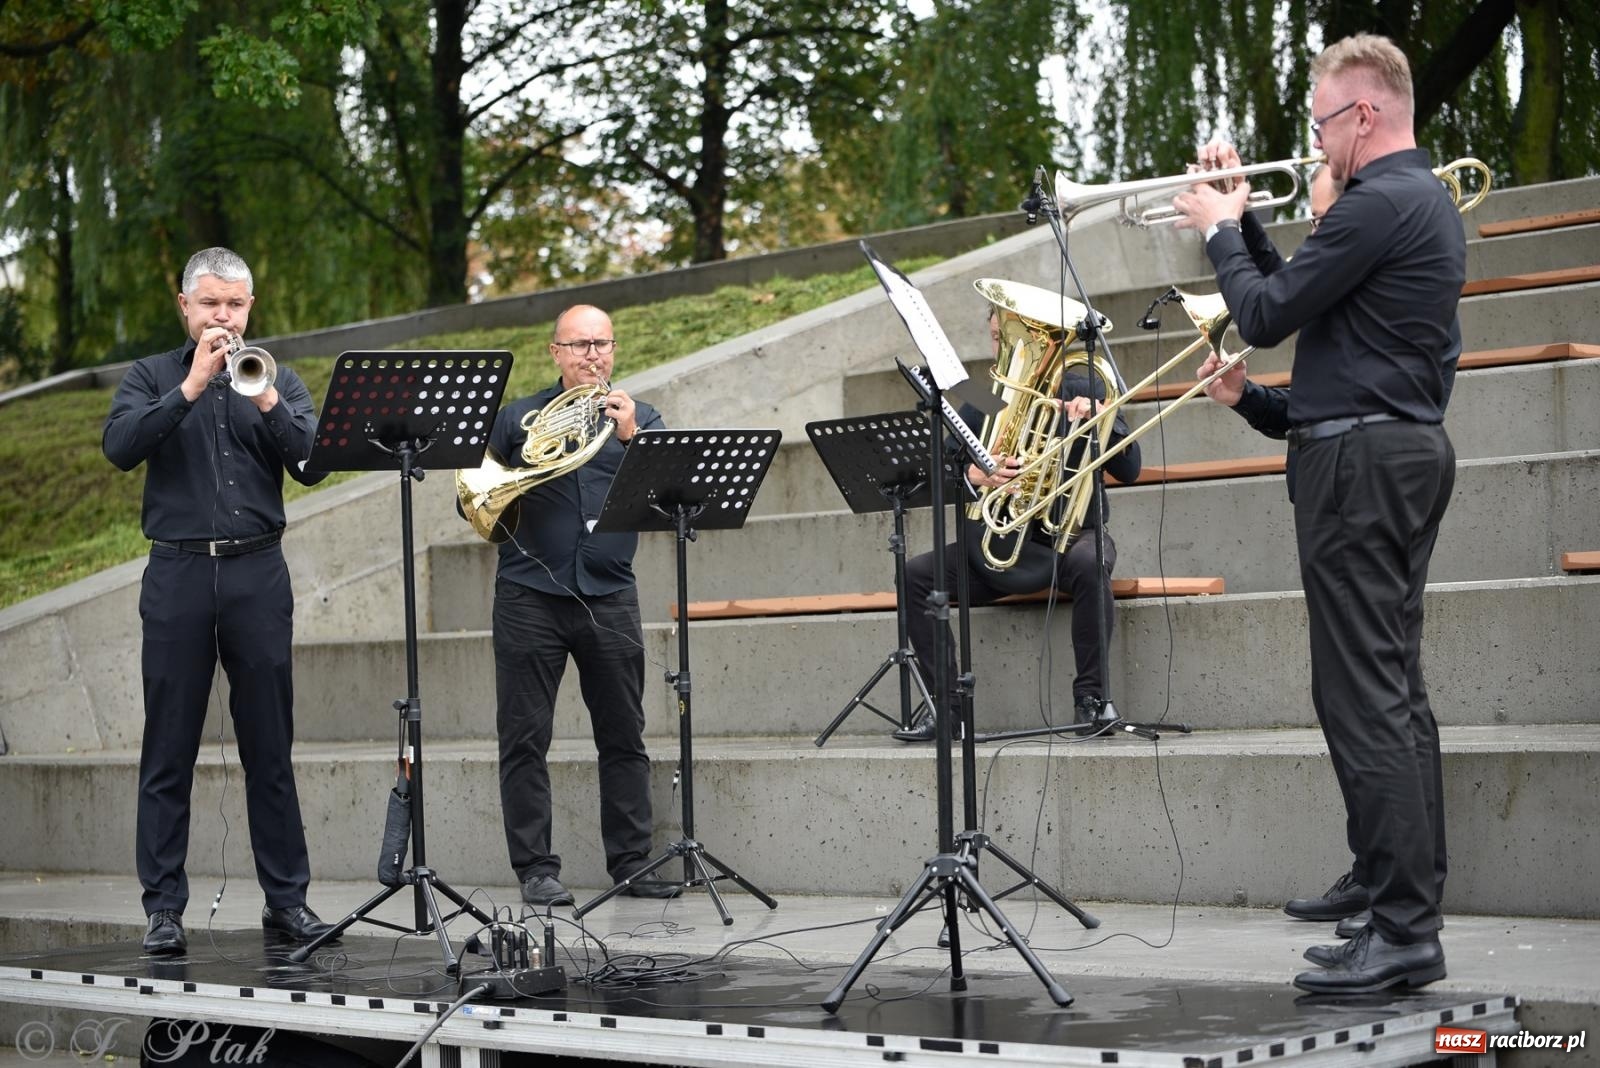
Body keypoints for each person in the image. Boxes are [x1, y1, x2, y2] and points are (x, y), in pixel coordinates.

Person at [1171, 34, 1460, 993]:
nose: (1316, 140)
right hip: (1388, 453)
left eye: (1324, 121)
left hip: (1361, 469)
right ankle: (1396, 891)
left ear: (1364, 114)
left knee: (1363, 697)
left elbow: (1262, 315)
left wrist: (1220, 230)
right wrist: (1246, 221)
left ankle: (1405, 928)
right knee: (1392, 690)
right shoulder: (1410, 202)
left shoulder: (1379, 200)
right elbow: (1301, 296)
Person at [103, 247, 336, 956]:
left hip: (256, 574)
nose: (223, 317)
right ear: (185, 306)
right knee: (168, 747)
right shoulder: (150, 376)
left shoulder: (277, 378)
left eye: (234, 305)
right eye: (210, 304)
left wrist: (263, 397)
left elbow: (313, 463)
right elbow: (119, 447)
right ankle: (163, 908)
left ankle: (287, 902)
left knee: (270, 745)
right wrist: (192, 386)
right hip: (176, 574)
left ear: (250, 308)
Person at [477, 304, 678, 907]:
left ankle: (632, 863)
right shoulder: (516, 419)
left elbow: (667, 497)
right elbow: (480, 497)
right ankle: (536, 869)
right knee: (524, 738)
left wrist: (631, 437)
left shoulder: (644, 418)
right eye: (580, 344)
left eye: (602, 344)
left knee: (624, 734)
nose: (593, 354)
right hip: (528, 595)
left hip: (610, 592)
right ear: (556, 352)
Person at [894, 304, 1141, 742]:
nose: (1005, 350)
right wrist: (973, 475)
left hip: (1070, 538)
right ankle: (948, 708)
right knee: (915, 575)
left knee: (1091, 563)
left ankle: (1091, 699)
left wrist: (1102, 419)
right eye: (999, 339)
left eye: (1012, 339)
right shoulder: (986, 397)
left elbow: (1131, 469)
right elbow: (936, 472)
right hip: (997, 544)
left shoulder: (1081, 384)